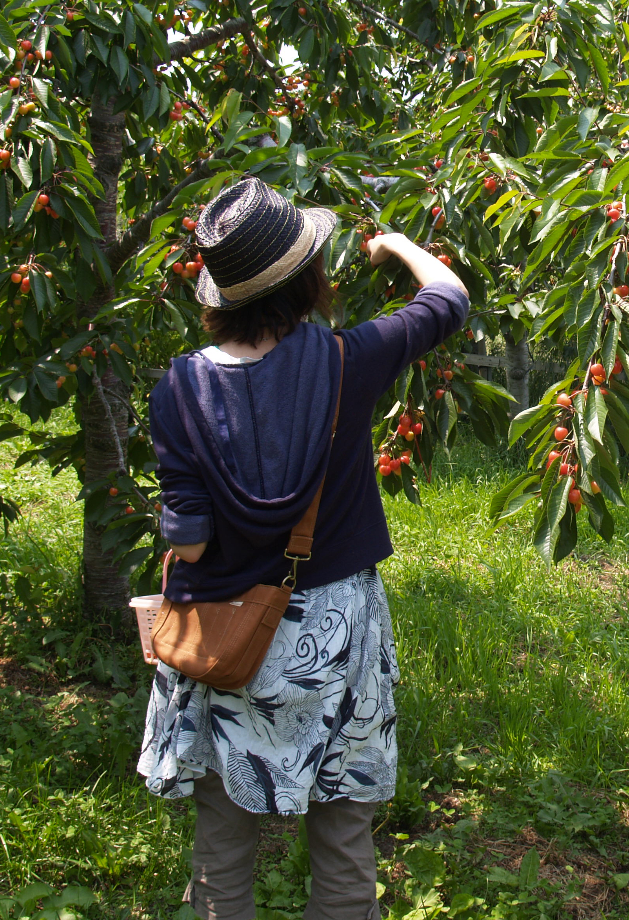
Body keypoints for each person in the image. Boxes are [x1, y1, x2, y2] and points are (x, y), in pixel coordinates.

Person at [137, 176, 469, 920]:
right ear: (309, 280)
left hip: (228, 641)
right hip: (336, 638)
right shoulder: (348, 362)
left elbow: (186, 543)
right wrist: (398, 247)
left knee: (222, 846)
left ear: (221, 293)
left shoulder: (178, 390)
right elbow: (447, 300)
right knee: (344, 838)